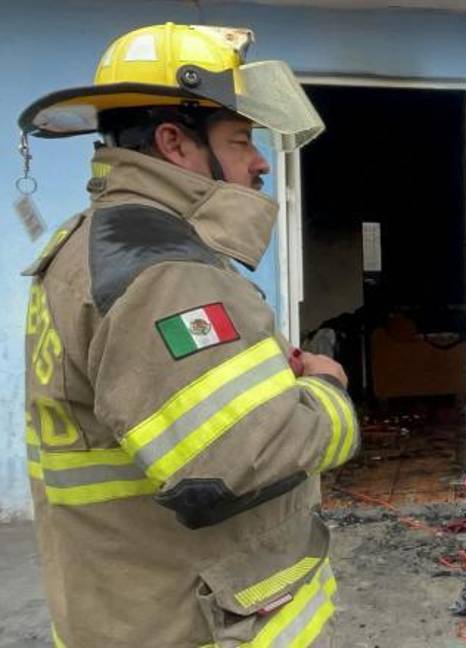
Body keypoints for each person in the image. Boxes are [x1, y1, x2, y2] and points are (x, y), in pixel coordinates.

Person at [19, 23, 359, 647]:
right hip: (192, 622)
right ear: (174, 142)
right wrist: (327, 390)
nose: (260, 161)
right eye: (241, 140)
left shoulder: (94, 244)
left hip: (129, 606)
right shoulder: (164, 271)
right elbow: (231, 464)